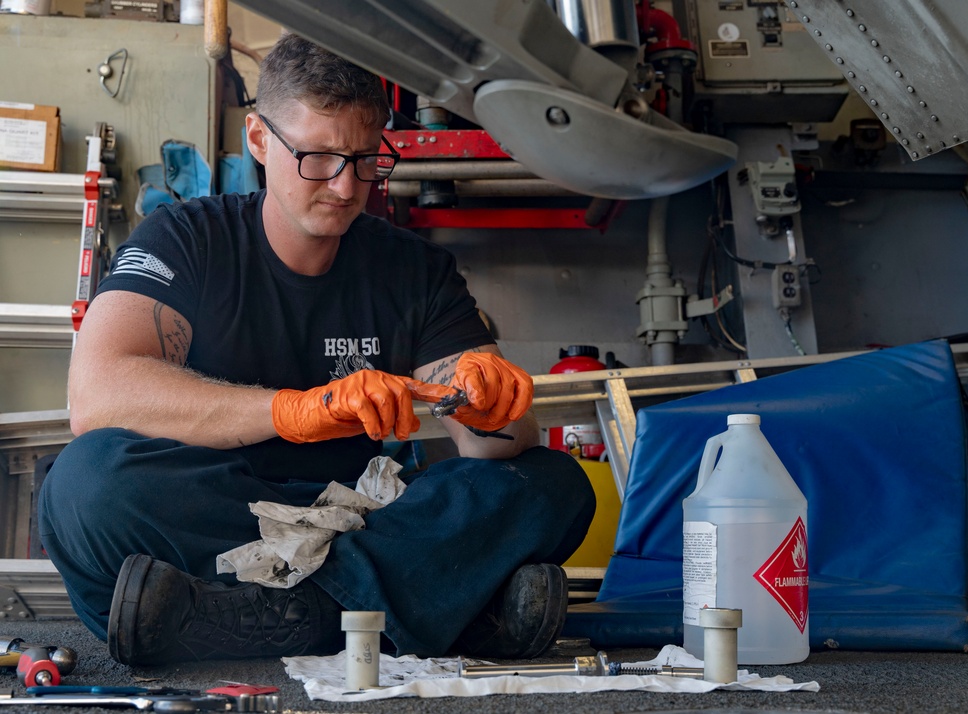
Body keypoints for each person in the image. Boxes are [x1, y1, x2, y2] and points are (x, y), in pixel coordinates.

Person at [38, 33, 596, 666]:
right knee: (84, 483)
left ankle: (263, 618)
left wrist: (495, 407)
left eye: (364, 159)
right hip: (222, 512)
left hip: (360, 514)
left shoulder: (413, 269)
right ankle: (429, 613)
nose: (344, 184)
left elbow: (496, 446)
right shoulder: (185, 239)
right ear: (258, 138)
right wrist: (298, 411)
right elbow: (98, 394)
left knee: (552, 484)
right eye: (317, 156)